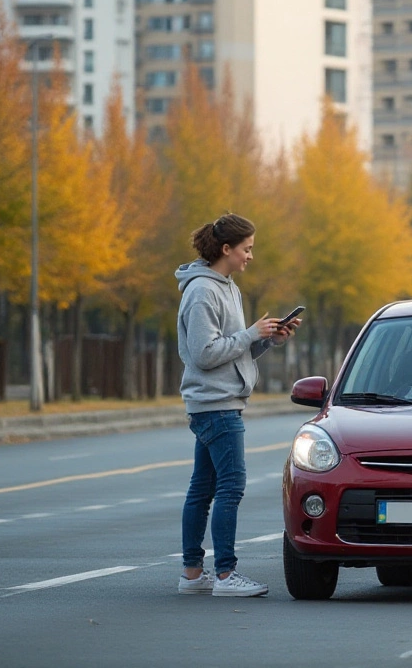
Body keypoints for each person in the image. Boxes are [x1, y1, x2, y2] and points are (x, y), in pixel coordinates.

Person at [175, 213, 301, 598]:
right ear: (226, 249)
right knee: (231, 488)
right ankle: (226, 576)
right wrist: (250, 333)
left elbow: (234, 351)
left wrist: (269, 340)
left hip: (220, 400)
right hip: (216, 405)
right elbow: (204, 354)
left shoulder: (228, 287)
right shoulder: (202, 291)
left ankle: (193, 574)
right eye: (246, 249)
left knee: (203, 489)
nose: (250, 257)